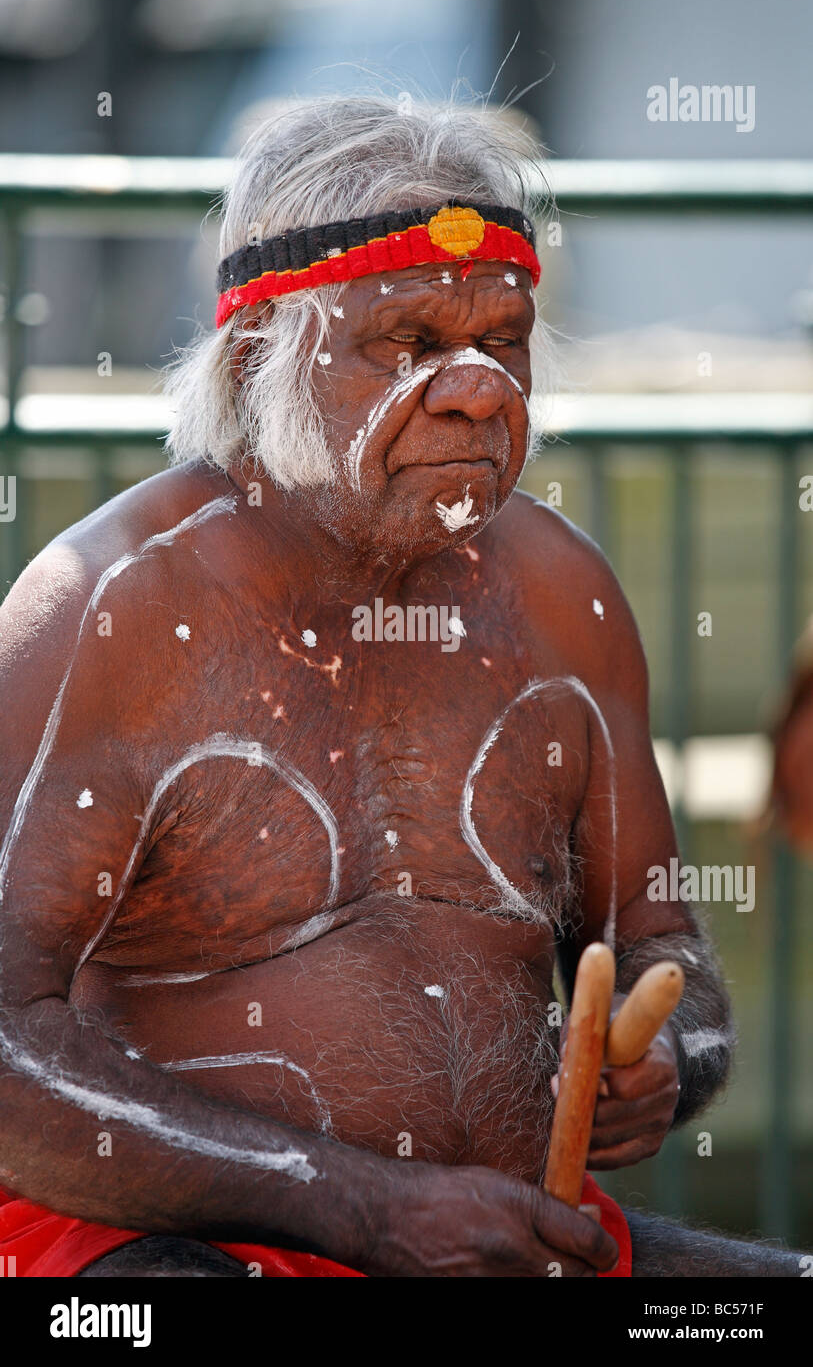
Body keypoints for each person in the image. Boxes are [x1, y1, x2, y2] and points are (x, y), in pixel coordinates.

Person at [0, 96, 799, 1277]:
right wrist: (362, 1207)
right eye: (411, 344)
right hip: (166, 1257)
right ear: (264, 352)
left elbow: (663, 942)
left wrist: (669, 1057)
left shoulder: (563, 597)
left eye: (505, 340)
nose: (480, 388)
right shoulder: (103, 612)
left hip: (519, 1247)